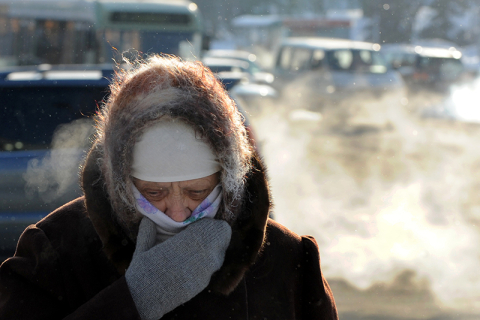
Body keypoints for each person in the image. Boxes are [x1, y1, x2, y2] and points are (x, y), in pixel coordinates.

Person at [0, 55, 338, 319]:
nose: (178, 212)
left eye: (197, 191)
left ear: (227, 178)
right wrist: (134, 300)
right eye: (154, 192)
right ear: (122, 182)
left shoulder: (286, 258)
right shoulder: (57, 250)